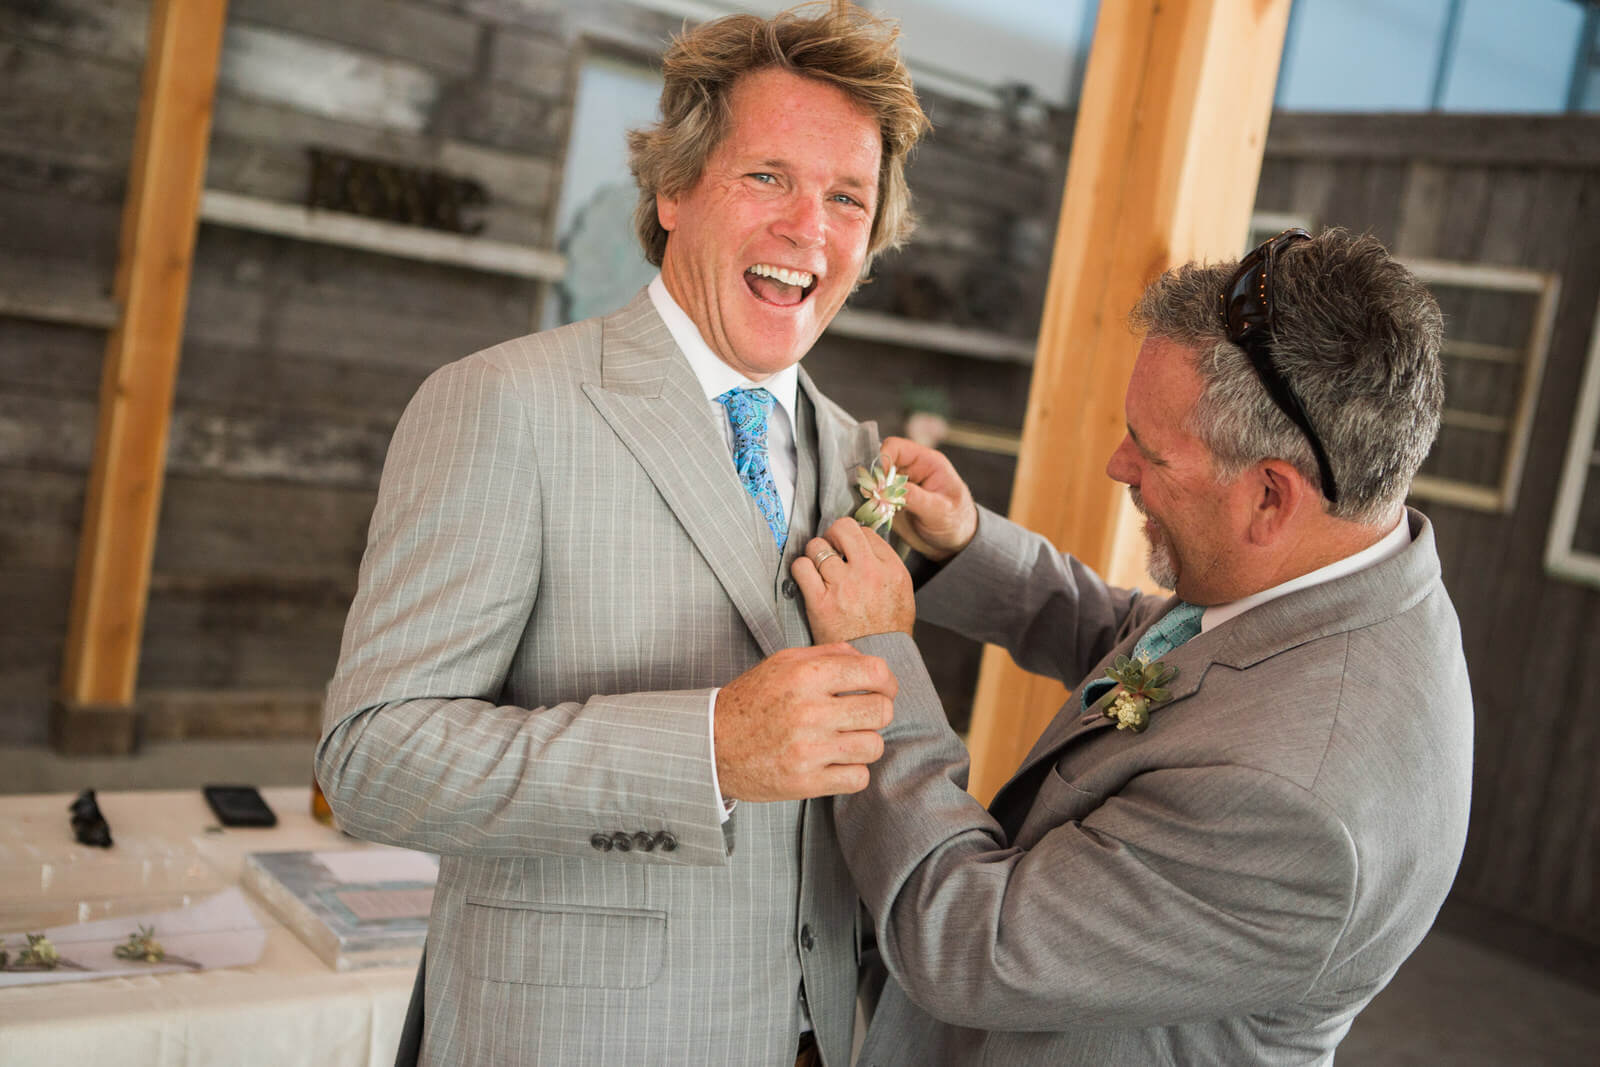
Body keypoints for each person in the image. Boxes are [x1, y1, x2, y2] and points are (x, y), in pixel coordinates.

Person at [316, 4, 930, 1064]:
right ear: (674, 188)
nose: (808, 230)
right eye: (767, 177)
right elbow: (371, 757)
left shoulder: (857, 456)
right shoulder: (503, 403)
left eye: (846, 198)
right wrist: (703, 749)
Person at [792, 228, 1475, 1064]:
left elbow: (969, 944)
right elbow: (1161, 653)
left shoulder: (1299, 802)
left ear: (1270, 496)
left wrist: (878, 658)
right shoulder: (1338, 575)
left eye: (1150, 451)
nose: (1120, 466)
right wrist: (965, 549)